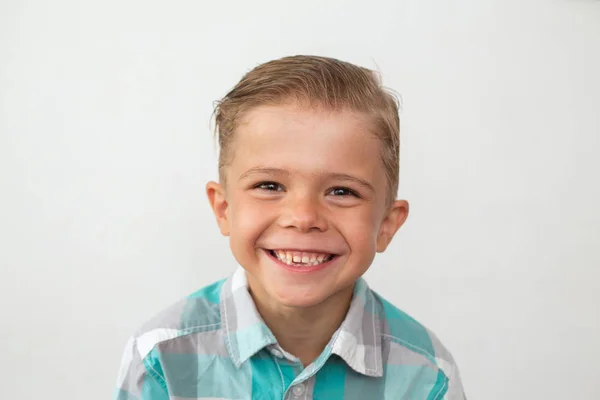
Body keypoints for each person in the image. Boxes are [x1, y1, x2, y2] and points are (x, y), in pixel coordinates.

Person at [114, 55, 466, 399]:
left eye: (342, 191)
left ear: (387, 224)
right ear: (224, 209)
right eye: (269, 186)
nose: (303, 216)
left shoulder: (427, 376)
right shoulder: (161, 358)